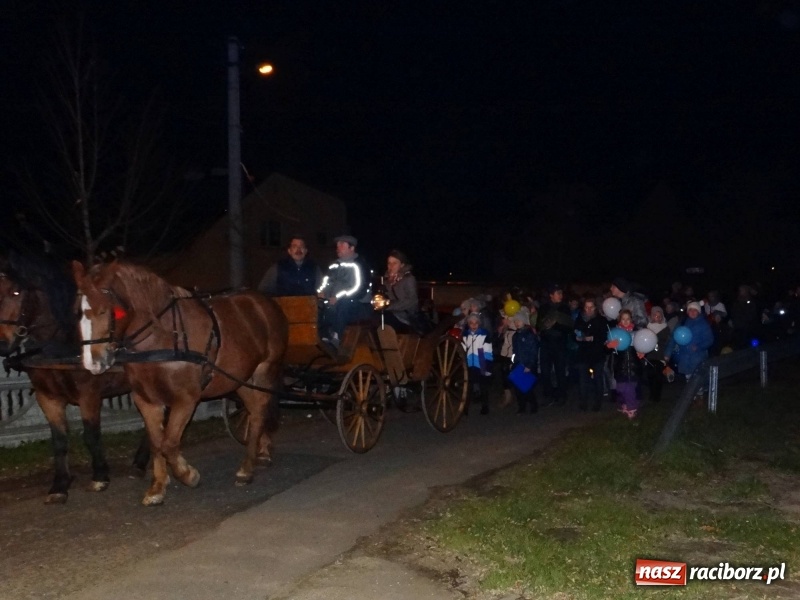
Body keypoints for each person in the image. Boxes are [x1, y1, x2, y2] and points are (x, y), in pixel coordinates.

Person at [317, 234, 372, 349]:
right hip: (335, 302)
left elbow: (359, 288)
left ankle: (337, 337)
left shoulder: (359, 265)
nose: (338, 247)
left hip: (358, 305)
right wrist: (321, 293)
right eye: (337, 245)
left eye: (342, 245)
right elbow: (326, 282)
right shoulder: (334, 265)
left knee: (343, 304)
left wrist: (339, 297)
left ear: (351, 248)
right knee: (319, 305)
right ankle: (322, 335)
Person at [663, 301, 714, 399]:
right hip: (684, 356)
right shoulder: (682, 323)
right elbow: (674, 337)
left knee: (697, 377)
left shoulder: (703, 324)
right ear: (687, 312)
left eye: (695, 310)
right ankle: (691, 398)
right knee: (688, 377)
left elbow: (709, 339)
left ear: (699, 312)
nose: (693, 312)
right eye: (690, 310)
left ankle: (699, 398)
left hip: (698, 356)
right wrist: (668, 353)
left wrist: (698, 346)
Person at [538, 283, 573, 406]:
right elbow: (540, 326)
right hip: (546, 344)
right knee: (545, 372)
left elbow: (569, 327)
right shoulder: (544, 308)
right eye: (558, 293)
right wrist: (548, 324)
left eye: (561, 293)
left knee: (560, 371)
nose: (561, 295)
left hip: (559, 344)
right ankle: (548, 395)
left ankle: (562, 395)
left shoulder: (565, 308)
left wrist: (556, 324)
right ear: (551, 295)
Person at [606, 308, 642, 419]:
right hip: (619, 366)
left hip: (633, 366)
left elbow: (646, 345)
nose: (625, 321)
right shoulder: (614, 333)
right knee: (620, 388)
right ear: (619, 320)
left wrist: (643, 352)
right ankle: (629, 403)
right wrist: (609, 346)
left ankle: (632, 408)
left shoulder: (637, 333)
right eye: (623, 319)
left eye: (628, 319)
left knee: (630, 387)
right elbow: (606, 349)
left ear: (631, 319)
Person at [257, 235, 322, 296]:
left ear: (306, 251)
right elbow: (263, 291)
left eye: (301, 246)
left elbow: (321, 291)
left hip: (309, 306)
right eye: (294, 246)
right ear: (289, 251)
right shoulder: (278, 268)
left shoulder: (314, 268)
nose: (298, 250)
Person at [573, 298, 608, 412]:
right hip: (584, 353)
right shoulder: (580, 319)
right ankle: (584, 402)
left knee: (598, 378)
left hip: (597, 353)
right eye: (586, 307)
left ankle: (598, 402)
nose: (588, 310)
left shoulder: (601, 320)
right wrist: (579, 337)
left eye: (591, 307)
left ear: (595, 308)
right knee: (583, 379)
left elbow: (604, 336)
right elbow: (575, 333)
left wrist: (593, 338)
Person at [462, 312, 493, 415]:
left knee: (483, 386)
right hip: (470, 363)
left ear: (479, 323)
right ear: (468, 324)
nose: (474, 325)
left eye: (476, 323)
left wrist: (488, 367)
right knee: (468, 387)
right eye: (471, 323)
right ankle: (465, 408)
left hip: (481, 362)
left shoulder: (484, 335)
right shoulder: (465, 336)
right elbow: (462, 349)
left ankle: (485, 407)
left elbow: (488, 352)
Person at [510, 307, 539, 414]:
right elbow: (514, 351)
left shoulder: (529, 335)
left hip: (527, 365)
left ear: (524, 322)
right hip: (518, 364)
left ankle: (533, 405)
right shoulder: (516, 336)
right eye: (515, 321)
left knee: (527, 388)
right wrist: (513, 363)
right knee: (518, 388)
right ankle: (521, 407)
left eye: (519, 321)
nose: (517, 323)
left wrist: (529, 365)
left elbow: (533, 351)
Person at [643, 306, 671, 402]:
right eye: (655, 315)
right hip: (650, 356)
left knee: (658, 376)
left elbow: (668, 342)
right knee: (650, 375)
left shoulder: (666, 328)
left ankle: (657, 396)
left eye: (659, 316)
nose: (657, 317)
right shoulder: (647, 328)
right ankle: (652, 394)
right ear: (652, 316)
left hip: (660, 356)